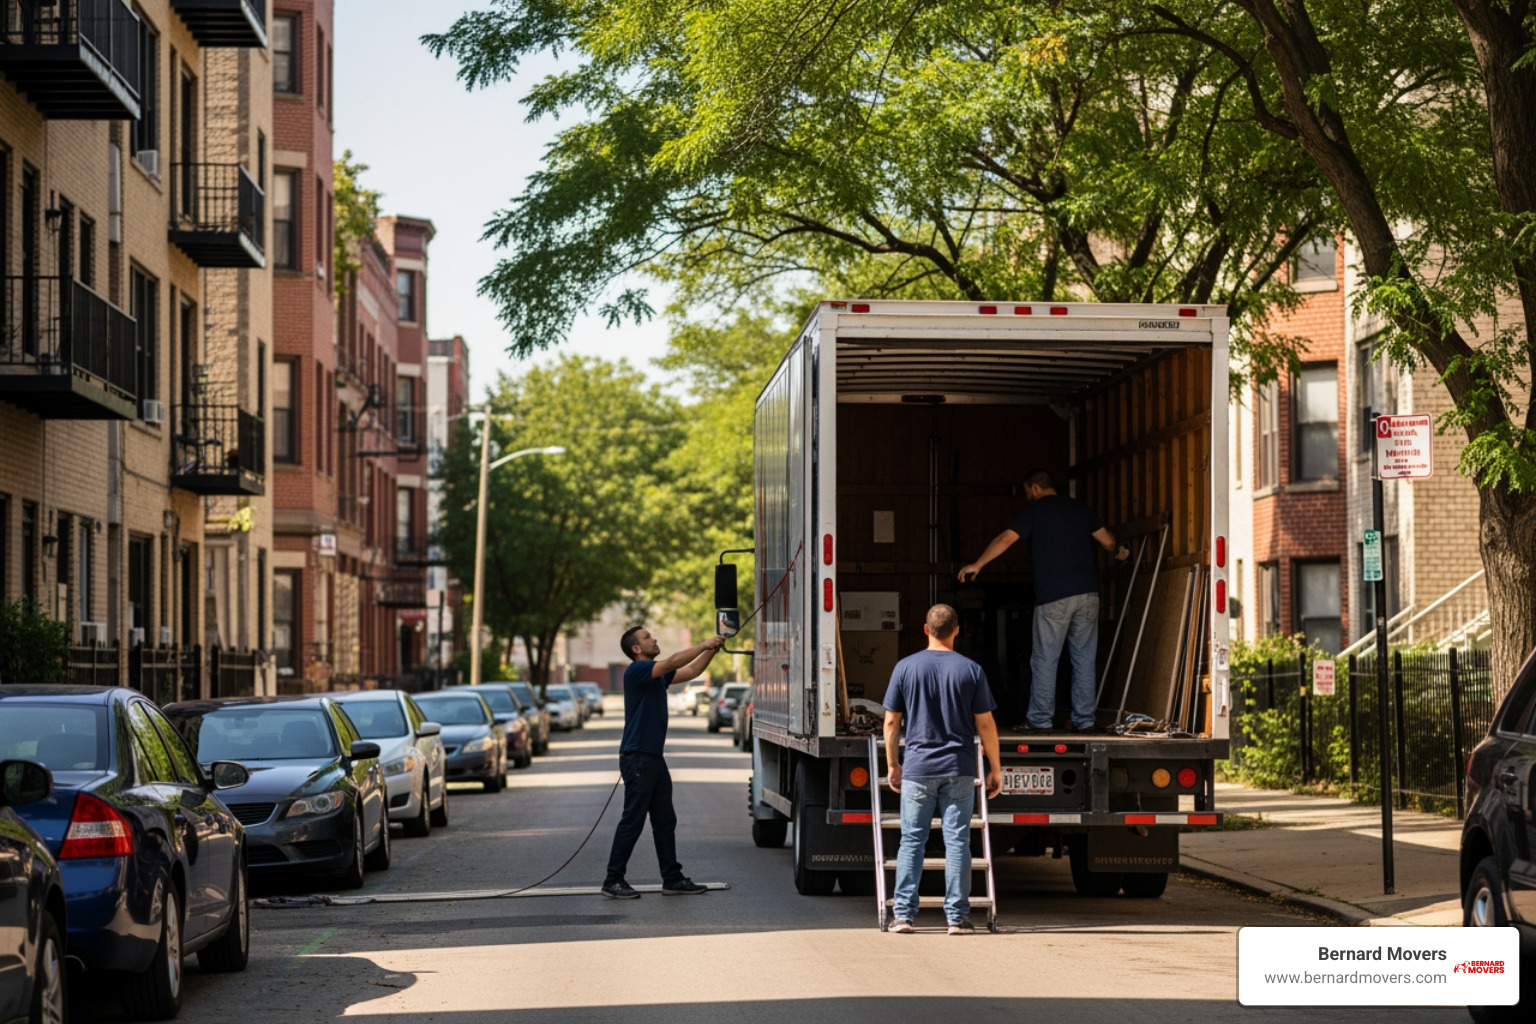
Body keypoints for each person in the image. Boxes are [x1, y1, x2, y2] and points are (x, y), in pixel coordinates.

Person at [957, 468, 1126, 733]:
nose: (1027, 496)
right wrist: (1118, 550)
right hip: (1088, 595)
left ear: (1035, 488)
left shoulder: (1033, 512)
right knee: (1083, 659)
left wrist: (978, 564)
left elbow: (1006, 539)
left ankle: (1039, 720)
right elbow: (1107, 542)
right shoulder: (1080, 509)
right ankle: (1085, 720)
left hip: (1054, 597)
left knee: (1046, 659)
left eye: (1026, 492)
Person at [882, 604, 1002, 935]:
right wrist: (995, 769)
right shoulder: (971, 670)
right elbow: (986, 725)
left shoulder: (905, 668)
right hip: (958, 767)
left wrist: (894, 764)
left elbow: (891, 721)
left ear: (925, 629)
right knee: (958, 842)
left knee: (912, 841)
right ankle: (957, 918)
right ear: (957, 631)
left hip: (918, 769)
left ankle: (904, 916)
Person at [601, 626, 725, 900]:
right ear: (636, 649)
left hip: (653, 758)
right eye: (647, 637)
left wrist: (712, 651)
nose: (654, 638)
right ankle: (613, 879)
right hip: (638, 757)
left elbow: (691, 672)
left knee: (665, 820)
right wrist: (704, 643)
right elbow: (672, 662)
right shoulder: (636, 671)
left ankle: (672, 879)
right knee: (632, 820)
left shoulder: (656, 676)